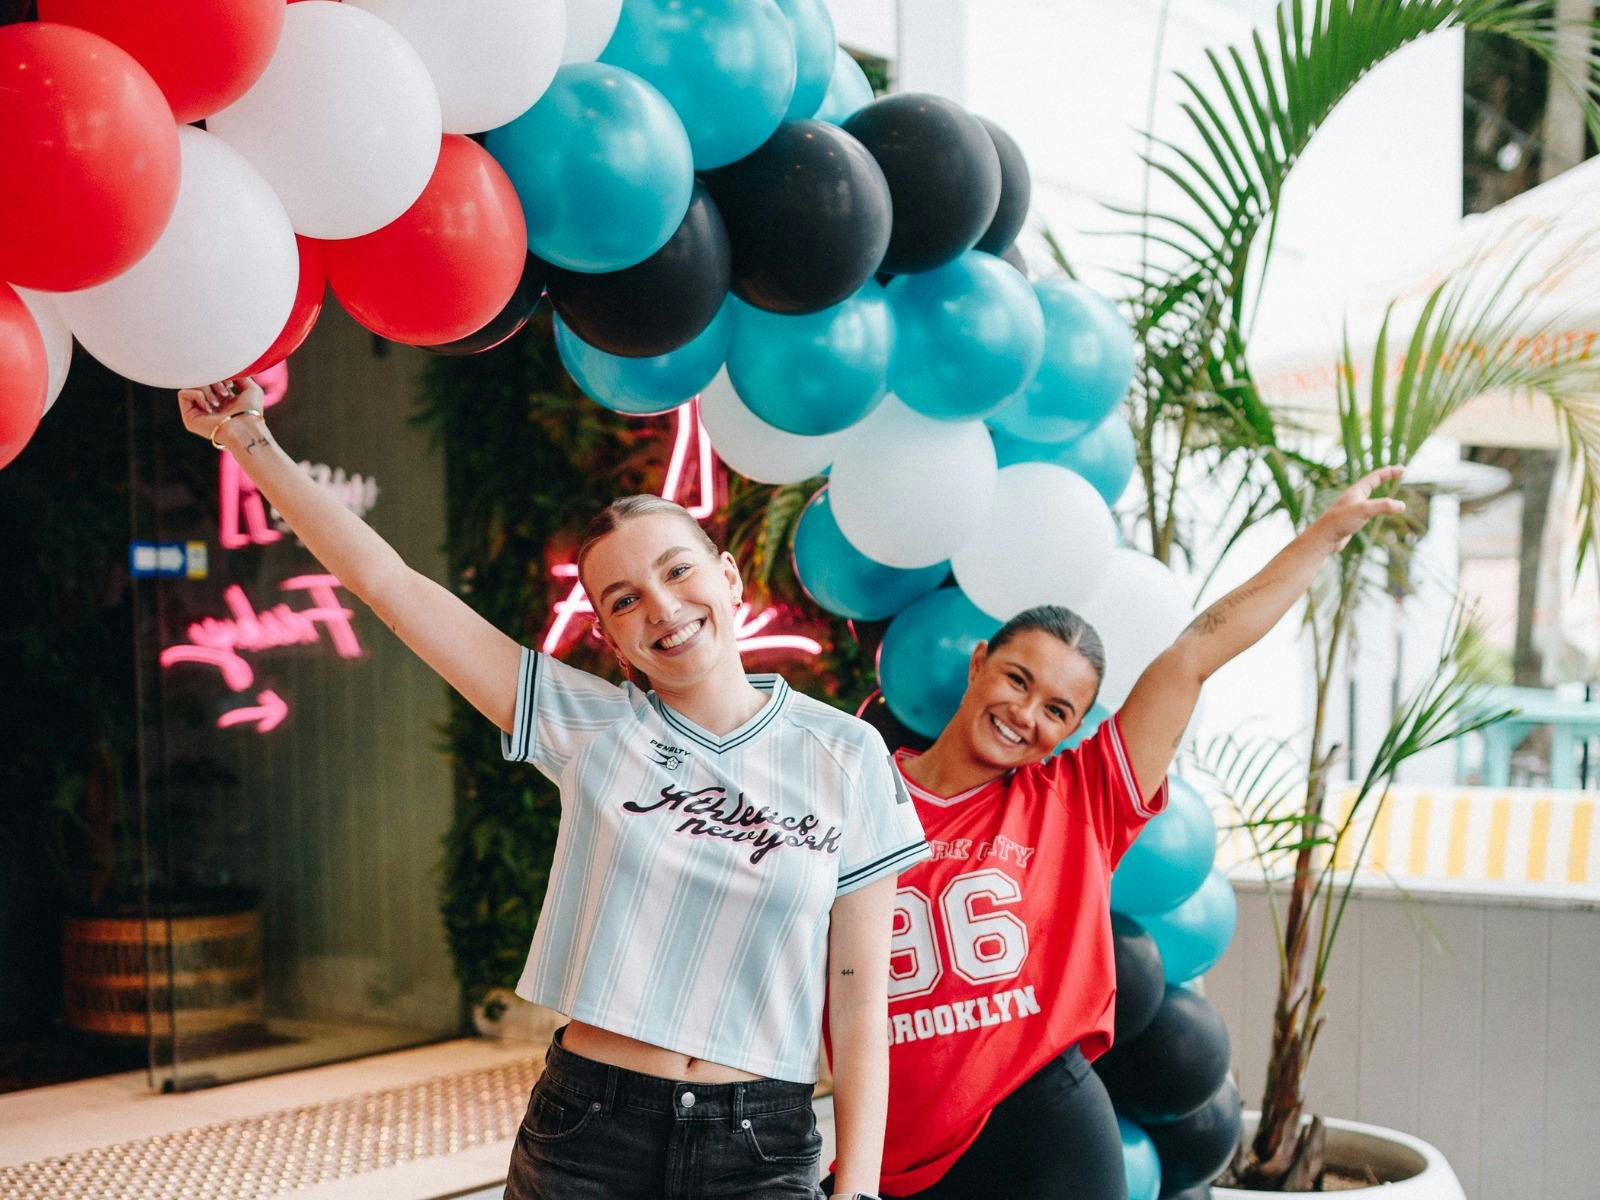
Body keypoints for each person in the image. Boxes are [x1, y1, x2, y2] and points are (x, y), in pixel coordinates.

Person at [178, 378, 930, 1200]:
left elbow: (859, 998)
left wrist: (858, 1189)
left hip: (761, 1145)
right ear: (608, 637)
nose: (662, 608)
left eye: (678, 571)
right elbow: (388, 585)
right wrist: (244, 434)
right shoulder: (590, 728)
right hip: (592, 1134)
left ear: (728, 578)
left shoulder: (847, 754)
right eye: (625, 600)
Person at [852, 467, 1406, 1199]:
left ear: (1072, 730)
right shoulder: (858, 793)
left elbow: (1193, 655)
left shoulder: (1080, 798)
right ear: (980, 662)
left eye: (1057, 710)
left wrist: (1321, 540)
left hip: (1043, 1136)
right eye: (1017, 679)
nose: (1025, 714)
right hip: (894, 1145)